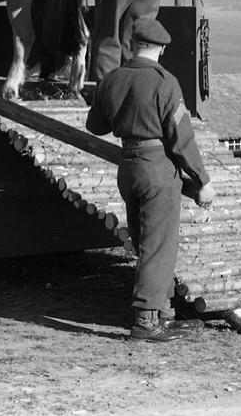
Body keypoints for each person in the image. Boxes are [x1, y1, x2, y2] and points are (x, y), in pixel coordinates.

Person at [85, 18, 215, 342]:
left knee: (147, 244)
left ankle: (164, 313)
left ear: (131, 43)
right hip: (158, 169)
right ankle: (145, 320)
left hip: (127, 168)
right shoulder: (164, 82)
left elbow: (94, 125)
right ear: (162, 48)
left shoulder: (112, 79)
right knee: (159, 246)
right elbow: (181, 138)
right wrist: (202, 181)